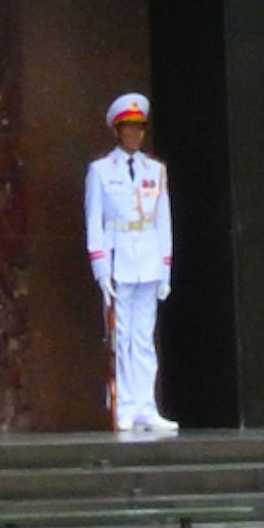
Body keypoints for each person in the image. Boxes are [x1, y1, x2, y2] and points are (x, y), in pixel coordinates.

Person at [84, 92, 178, 438]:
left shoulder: (156, 170)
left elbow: (162, 222)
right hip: (119, 258)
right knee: (120, 338)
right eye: (129, 129)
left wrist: (165, 269)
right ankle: (122, 406)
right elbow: (95, 222)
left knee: (143, 338)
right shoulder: (101, 171)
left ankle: (146, 407)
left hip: (148, 261)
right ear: (117, 131)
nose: (135, 135)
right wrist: (101, 269)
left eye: (139, 129)